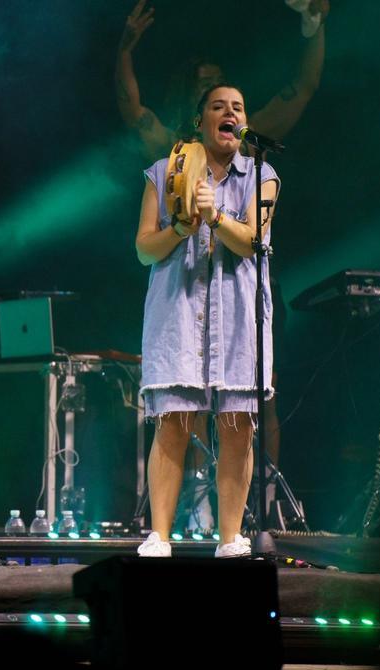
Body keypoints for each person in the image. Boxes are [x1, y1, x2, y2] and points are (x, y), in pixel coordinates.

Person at [134, 84, 281, 557]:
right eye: (219, 106)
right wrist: (180, 228)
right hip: (178, 309)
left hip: (238, 315)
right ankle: (159, 535)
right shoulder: (163, 172)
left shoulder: (262, 174)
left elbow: (253, 240)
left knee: (237, 423)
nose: (230, 113)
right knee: (173, 422)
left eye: (238, 107)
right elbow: (143, 249)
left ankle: (230, 538)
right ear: (199, 121)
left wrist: (213, 216)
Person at [115, 0, 328, 161]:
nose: (216, 88)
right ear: (189, 98)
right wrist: (124, 52)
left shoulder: (250, 141)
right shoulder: (173, 148)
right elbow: (132, 110)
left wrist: (314, 25)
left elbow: (305, 86)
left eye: (220, 82)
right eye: (206, 84)